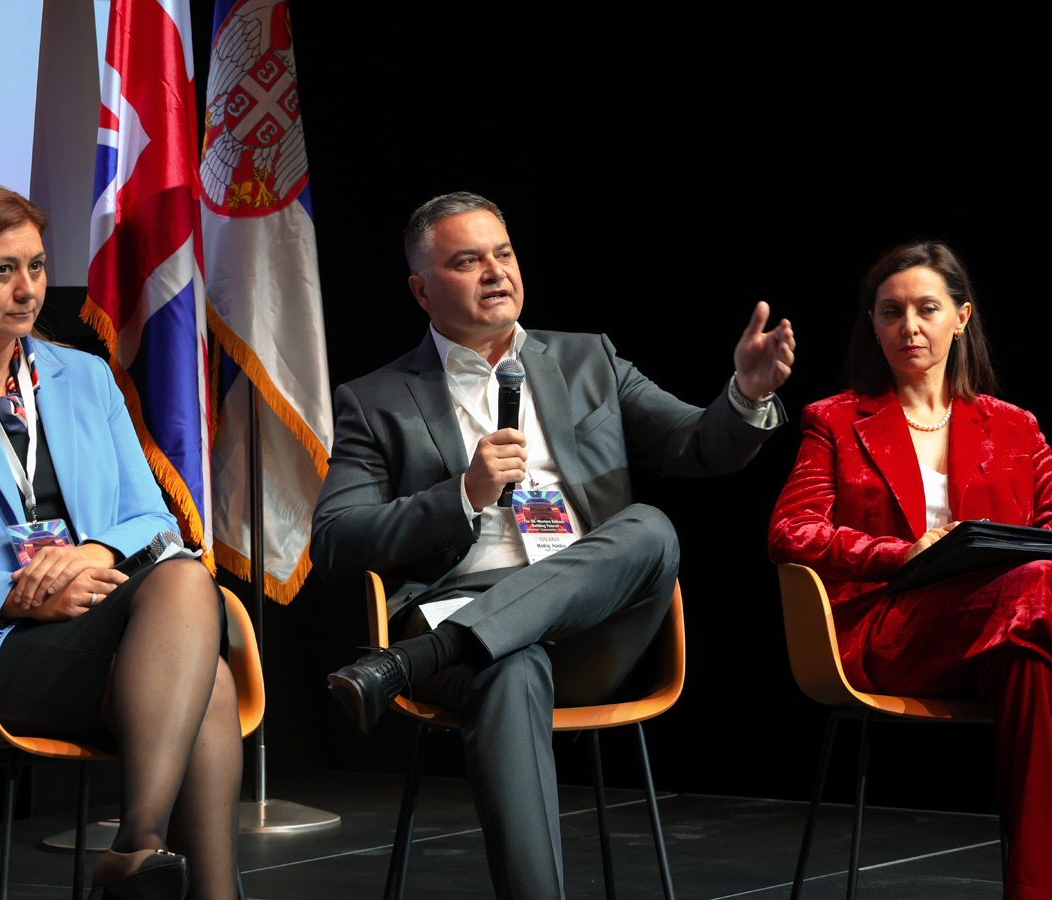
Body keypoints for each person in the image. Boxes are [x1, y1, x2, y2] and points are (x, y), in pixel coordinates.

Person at [314, 191, 795, 899]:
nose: (495, 272)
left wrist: (746, 396)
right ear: (421, 289)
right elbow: (334, 539)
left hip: (592, 624)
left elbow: (699, 446)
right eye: (467, 261)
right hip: (469, 614)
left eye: (503, 254)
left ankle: (426, 654)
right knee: (508, 667)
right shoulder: (375, 399)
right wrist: (462, 494)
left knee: (650, 528)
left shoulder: (587, 360)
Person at [0, 185, 242, 900]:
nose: (27, 288)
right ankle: (155, 858)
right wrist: (14, 592)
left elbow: (155, 523)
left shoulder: (84, 375)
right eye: (2, 270)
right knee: (205, 663)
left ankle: (140, 846)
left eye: (35, 267)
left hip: (109, 629)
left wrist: (91, 554)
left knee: (185, 589)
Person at [768, 240, 1052, 900]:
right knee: (1039, 594)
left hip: (1006, 631)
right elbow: (791, 530)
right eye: (892, 312)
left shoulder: (1018, 430)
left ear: (962, 317)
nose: (910, 327)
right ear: (873, 323)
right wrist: (904, 552)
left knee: (1032, 662)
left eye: (927, 309)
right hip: (886, 632)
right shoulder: (833, 421)